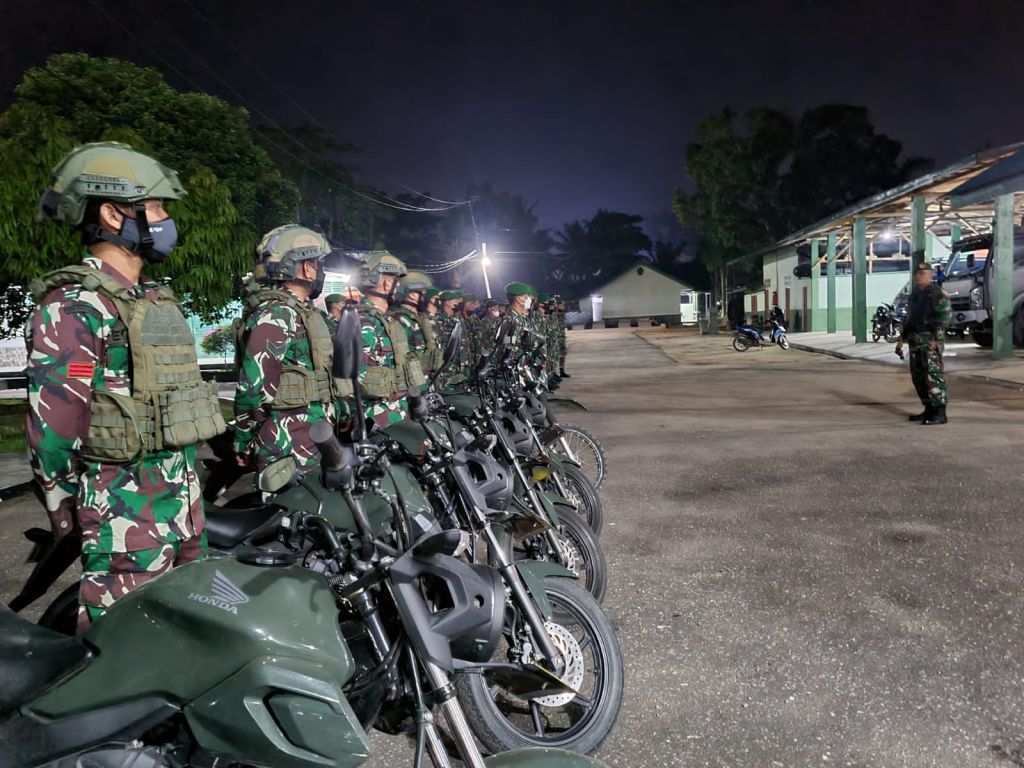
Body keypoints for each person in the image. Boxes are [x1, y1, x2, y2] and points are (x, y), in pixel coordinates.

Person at [27, 141, 226, 631]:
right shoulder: (74, 306)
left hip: (182, 508)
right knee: (121, 648)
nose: (164, 220)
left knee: (185, 638)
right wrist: (66, 508)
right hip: (124, 518)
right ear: (114, 214)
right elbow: (54, 428)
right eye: (155, 207)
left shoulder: (148, 301)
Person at [234, 225, 336, 471]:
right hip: (286, 443)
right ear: (305, 267)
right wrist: (244, 438)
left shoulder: (304, 312)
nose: (319, 270)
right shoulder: (277, 312)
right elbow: (253, 385)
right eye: (316, 263)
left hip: (313, 436)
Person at [351, 251, 426, 429]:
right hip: (379, 421)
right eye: (396, 280)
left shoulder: (385, 321)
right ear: (386, 283)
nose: (398, 286)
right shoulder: (363, 324)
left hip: (398, 415)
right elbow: (358, 382)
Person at [895, 261, 952, 425]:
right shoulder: (916, 295)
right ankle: (929, 409)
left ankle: (940, 412)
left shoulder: (937, 294)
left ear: (931, 274)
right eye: (917, 274)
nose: (918, 277)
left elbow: (944, 319)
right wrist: (901, 339)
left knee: (932, 375)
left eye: (922, 273)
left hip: (929, 341)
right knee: (918, 377)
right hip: (915, 341)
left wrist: (936, 340)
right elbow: (909, 318)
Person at [390, 270, 443, 379]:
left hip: (424, 379)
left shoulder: (418, 317)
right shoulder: (401, 319)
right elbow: (403, 357)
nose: (425, 297)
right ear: (413, 295)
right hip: (413, 383)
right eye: (422, 293)